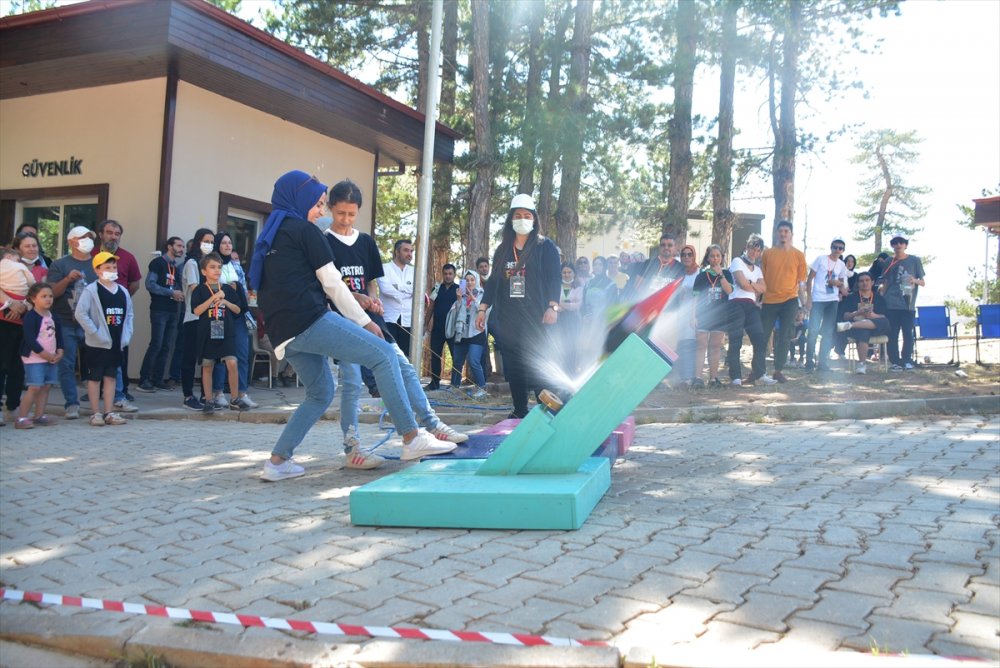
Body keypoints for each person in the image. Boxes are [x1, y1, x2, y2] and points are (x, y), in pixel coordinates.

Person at [250, 170, 459, 482]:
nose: (320, 211)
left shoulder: (270, 236)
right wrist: (364, 322)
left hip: (285, 335)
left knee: (320, 393)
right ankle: (412, 437)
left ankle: (278, 461)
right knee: (384, 355)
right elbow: (333, 283)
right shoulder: (304, 231)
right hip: (310, 320)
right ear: (299, 198)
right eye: (318, 204)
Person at [476, 193, 561, 419]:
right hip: (509, 318)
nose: (522, 219)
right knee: (514, 367)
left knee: (537, 362)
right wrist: (483, 308)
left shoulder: (545, 247)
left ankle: (549, 409)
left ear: (534, 219)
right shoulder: (503, 249)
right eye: (517, 215)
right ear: (511, 220)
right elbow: (493, 282)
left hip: (537, 317)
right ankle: (520, 410)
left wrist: (552, 308)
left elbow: (555, 278)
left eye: (526, 215)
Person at [75, 252, 133, 427]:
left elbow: (129, 314)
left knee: (111, 377)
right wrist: (95, 332)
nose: (112, 270)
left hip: (116, 343)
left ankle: (109, 412)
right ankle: (95, 412)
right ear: (97, 270)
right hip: (97, 344)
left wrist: (127, 336)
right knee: (95, 378)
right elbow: (81, 313)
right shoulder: (91, 290)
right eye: (107, 267)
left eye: (114, 267)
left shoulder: (122, 291)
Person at [46, 226, 98, 420]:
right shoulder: (59, 265)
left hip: (92, 323)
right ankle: (71, 404)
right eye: (83, 237)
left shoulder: (98, 263)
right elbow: (52, 293)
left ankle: (100, 405)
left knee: (97, 363)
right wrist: (68, 279)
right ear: (72, 241)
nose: (88, 241)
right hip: (65, 321)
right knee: (66, 365)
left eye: (90, 237)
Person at [191, 253, 250, 413]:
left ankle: (235, 398)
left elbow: (238, 309)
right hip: (207, 331)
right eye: (212, 267)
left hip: (226, 330)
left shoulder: (227, 289)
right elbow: (197, 310)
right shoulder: (200, 290)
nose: (217, 270)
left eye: (219, 267)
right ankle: (209, 400)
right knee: (208, 365)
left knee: (232, 362)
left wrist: (225, 301)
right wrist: (214, 298)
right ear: (204, 271)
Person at [92, 220, 141, 408]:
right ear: (101, 234)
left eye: (117, 233)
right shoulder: (92, 255)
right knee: (95, 355)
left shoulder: (127, 257)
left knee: (118, 355)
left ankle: (120, 393)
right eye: (109, 232)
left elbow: (135, 284)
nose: (113, 236)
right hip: (96, 315)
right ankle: (95, 392)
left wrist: (120, 298)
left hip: (117, 315)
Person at [207, 231, 258, 409]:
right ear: (217, 246)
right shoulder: (212, 264)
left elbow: (243, 291)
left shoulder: (236, 266)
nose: (228, 246)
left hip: (238, 316)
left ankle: (241, 393)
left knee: (242, 355)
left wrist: (233, 290)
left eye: (230, 243)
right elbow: (209, 288)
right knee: (220, 354)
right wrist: (228, 289)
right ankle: (218, 393)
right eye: (224, 243)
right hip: (218, 315)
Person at [760, 220, 807, 383]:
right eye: (780, 231)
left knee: (785, 335)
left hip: (790, 300)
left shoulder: (799, 255)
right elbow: (762, 278)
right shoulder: (767, 254)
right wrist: (760, 299)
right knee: (763, 335)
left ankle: (778, 370)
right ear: (776, 233)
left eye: (786, 231)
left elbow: (801, 282)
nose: (783, 234)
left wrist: (805, 304)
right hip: (769, 300)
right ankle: (758, 371)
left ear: (791, 234)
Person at [727, 234, 776, 386]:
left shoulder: (758, 269)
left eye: (758, 250)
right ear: (747, 247)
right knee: (736, 340)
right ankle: (735, 377)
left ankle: (760, 374)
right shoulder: (737, 261)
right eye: (752, 248)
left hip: (751, 305)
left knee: (760, 340)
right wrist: (753, 285)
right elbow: (742, 284)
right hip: (736, 303)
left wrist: (751, 284)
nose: (754, 252)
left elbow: (763, 289)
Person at [137, 237, 185, 392]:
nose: (181, 249)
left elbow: (176, 287)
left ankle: (158, 379)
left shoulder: (176, 267)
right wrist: (171, 293)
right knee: (156, 344)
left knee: (166, 346)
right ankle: (144, 379)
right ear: (169, 246)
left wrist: (179, 294)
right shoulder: (158, 263)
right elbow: (150, 284)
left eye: (183, 246)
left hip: (173, 310)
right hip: (159, 309)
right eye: (178, 245)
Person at [15, 282, 63, 428]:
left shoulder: (53, 315)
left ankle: (39, 415)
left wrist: (60, 350)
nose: (48, 299)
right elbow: (30, 340)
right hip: (34, 358)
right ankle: (22, 418)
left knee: (46, 386)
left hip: (51, 358)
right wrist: (45, 354)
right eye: (43, 296)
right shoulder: (31, 317)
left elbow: (59, 335)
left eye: (50, 296)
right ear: (33, 299)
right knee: (35, 386)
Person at [179, 228, 216, 411]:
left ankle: (206, 395)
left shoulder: (213, 264)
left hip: (212, 317)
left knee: (209, 358)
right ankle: (187, 395)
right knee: (190, 358)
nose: (208, 244)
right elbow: (196, 289)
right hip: (193, 317)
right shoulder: (192, 263)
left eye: (211, 241)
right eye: (205, 240)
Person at [879, 234, 925, 371]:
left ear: (905, 245)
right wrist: (882, 295)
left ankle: (906, 360)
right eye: (895, 242)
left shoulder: (915, 260)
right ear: (892, 245)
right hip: (891, 303)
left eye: (901, 242)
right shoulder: (888, 261)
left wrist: (914, 281)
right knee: (892, 333)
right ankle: (895, 361)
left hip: (908, 304)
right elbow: (885, 281)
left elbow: (922, 282)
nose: (898, 245)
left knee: (908, 333)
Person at [804, 237, 849, 373]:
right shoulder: (821, 259)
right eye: (835, 247)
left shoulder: (841, 265)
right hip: (818, 299)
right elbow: (810, 278)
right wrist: (809, 298)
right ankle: (809, 363)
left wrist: (838, 283)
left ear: (843, 250)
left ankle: (822, 363)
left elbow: (844, 287)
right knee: (813, 331)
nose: (837, 250)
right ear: (831, 247)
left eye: (840, 248)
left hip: (832, 300)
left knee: (828, 332)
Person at [692, 244, 734, 388]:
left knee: (715, 347)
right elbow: (695, 299)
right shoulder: (701, 276)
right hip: (703, 315)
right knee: (701, 346)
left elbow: (729, 291)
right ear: (708, 258)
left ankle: (713, 379)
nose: (715, 258)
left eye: (718, 256)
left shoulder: (727, 274)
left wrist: (720, 274)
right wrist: (693, 316)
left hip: (719, 316)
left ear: (722, 257)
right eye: (712, 256)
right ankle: (697, 378)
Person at [837, 271, 889, 375]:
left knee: (885, 321)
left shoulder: (879, 298)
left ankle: (850, 325)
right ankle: (862, 364)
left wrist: (873, 315)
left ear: (872, 282)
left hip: (875, 327)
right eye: (861, 281)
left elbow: (884, 316)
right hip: (859, 329)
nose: (864, 283)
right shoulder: (851, 297)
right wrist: (857, 313)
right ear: (858, 283)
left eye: (867, 280)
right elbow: (845, 316)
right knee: (863, 331)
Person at [448, 270, 488, 398]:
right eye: (467, 280)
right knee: (457, 361)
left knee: (473, 360)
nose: (470, 282)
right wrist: (459, 299)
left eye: (472, 280)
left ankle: (482, 388)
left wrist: (473, 298)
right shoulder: (462, 295)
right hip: (462, 332)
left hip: (477, 332)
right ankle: (454, 387)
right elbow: (456, 313)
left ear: (476, 281)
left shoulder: (483, 295)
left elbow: (484, 312)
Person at [423, 263, 458, 390]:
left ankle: (455, 384)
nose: (448, 276)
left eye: (450, 274)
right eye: (445, 274)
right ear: (442, 274)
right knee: (435, 356)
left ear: (454, 275)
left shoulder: (459, 290)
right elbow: (431, 307)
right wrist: (425, 324)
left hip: (453, 330)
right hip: (437, 329)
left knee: (456, 356)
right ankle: (435, 382)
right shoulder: (436, 289)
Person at [379, 239, 415, 356]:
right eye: (406, 250)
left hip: (408, 320)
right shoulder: (384, 268)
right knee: (389, 354)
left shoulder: (415, 272)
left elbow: (418, 290)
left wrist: (398, 287)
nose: (409, 254)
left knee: (405, 356)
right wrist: (407, 292)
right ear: (396, 252)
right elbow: (385, 289)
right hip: (389, 319)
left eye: (411, 251)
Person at [625, 233, 683, 299]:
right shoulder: (647, 264)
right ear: (659, 247)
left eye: (669, 245)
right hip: (648, 306)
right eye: (663, 245)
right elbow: (637, 290)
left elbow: (681, 293)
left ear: (675, 247)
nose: (666, 247)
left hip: (671, 308)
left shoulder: (681, 268)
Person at [555, 262, 584, 375]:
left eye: (569, 272)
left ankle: (572, 371)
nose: (566, 275)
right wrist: (565, 305)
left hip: (573, 321)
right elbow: (555, 305)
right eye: (564, 272)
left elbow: (575, 306)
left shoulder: (579, 287)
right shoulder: (557, 287)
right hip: (560, 321)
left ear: (574, 273)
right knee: (562, 346)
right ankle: (563, 371)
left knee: (573, 347)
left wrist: (560, 304)